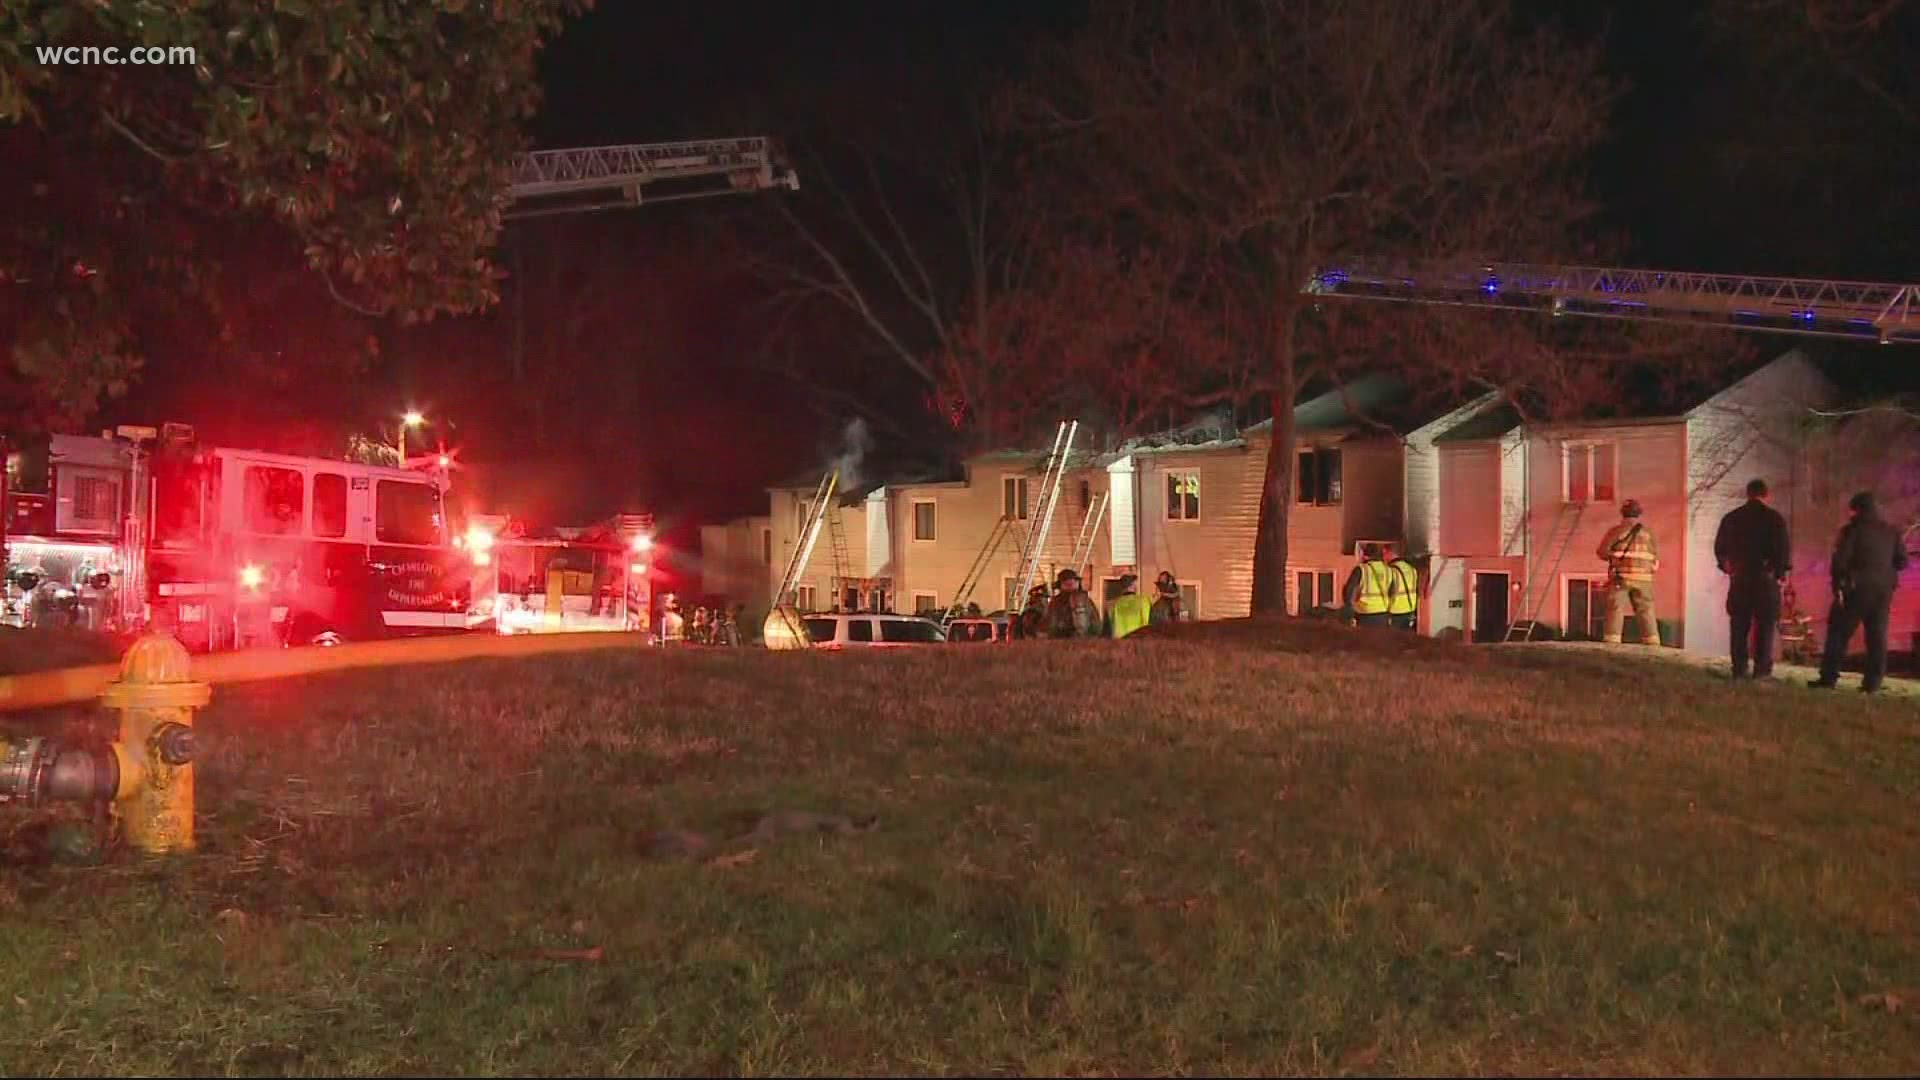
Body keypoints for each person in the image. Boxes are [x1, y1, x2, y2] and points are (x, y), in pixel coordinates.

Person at [1811, 491, 1909, 693]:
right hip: (1883, 591)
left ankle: (1828, 678)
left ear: (1856, 510)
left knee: (1838, 633)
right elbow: (1902, 561)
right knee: (1877, 636)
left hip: (1855, 589)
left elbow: (1840, 561)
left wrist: (1838, 584)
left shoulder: (1852, 530)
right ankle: (1872, 683)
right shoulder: (1891, 531)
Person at [1713, 478, 1791, 679]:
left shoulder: (1731, 518)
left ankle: (1739, 669)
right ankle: (1761, 670)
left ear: (1747, 494)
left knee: (1739, 625)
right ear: (1766, 495)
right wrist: (1781, 574)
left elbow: (1720, 549)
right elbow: (1783, 551)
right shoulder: (1774, 519)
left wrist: (1727, 567)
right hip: (1766, 580)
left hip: (1740, 578)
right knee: (1765, 626)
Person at [1597, 499, 1660, 645]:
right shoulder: (1649, 534)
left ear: (1623, 513)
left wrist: (1613, 557)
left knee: (1616, 607)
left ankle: (1612, 641)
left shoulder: (1616, 531)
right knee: (1646, 610)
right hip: (1644, 579)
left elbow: (1602, 552)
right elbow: (1655, 558)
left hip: (1621, 578)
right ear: (1639, 514)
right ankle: (1652, 642)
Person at [1342, 543, 1393, 628]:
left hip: (1365, 615)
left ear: (1365, 555)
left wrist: (1349, 611)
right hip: (1383, 614)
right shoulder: (1389, 570)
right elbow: (1393, 591)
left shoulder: (1361, 569)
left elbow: (1349, 593)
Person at [1046, 568, 1101, 638]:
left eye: (1072, 582)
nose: (1070, 585)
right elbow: (1051, 625)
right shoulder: (1056, 602)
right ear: (1061, 585)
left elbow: (1096, 625)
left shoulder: (1086, 601)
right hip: (1061, 642)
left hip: (1084, 642)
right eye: (1067, 583)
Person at [1384, 544, 1420, 632]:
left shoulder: (1391, 571)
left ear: (1390, 553)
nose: (1383, 557)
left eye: (1384, 553)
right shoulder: (1412, 569)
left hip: (1395, 612)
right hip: (1410, 611)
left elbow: (1388, 591)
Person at [1106, 573, 1153, 640]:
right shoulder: (1144, 601)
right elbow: (1150, 626)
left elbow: (1107, 630)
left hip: (1119, 645)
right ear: (1133, 585)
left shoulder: (1112, 605)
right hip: (1137, 644)